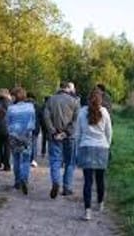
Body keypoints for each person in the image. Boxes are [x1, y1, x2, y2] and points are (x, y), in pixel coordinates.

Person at [74, 89, 112, 221]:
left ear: (88, 99)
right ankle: (100, 203)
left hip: (86, 147)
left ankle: (87, 211)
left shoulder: (82, 112)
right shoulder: (105, 112)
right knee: (100, 179)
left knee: (88, 182)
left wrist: (78, 148)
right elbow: (109, 132)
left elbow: (77, 133)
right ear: (101, 99)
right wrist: (107, 145)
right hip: (102, 147)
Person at [44, 81, 80, 198]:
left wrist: (54, 131)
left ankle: (56, 181)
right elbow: (75, 121)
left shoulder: (51, 100)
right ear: (68, 89)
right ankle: (67, 188)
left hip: (54, 136)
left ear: (60, 88)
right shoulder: (74, 102)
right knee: (70, 163)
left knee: (55, 160)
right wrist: (66, 132)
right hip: (69, 136)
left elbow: (46, 117)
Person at [6, 87, 36, 195]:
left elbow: (7, 123)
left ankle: (17, 181)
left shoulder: (10, 108)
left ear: (14, 96)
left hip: (14, 135)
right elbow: (33, 122)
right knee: (26, 159)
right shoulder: (31, 107)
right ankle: (25, 179)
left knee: (16, 159)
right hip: (26, 135)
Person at [26, 92, 41, 168]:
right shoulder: (37, 105)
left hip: (25, 127)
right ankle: (33, 160)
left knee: (26, 143)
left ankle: (26, 158)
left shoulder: (23, 105)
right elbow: (41, 117)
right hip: (35, 127)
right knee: (34, 144)